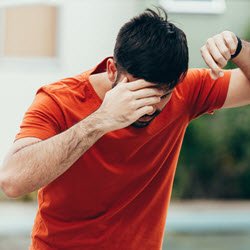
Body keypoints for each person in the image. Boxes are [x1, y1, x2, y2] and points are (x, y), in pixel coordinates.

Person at [0, 7, 249, 250]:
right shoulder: (58, 99)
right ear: (111, 70)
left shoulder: (186, 91)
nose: (148, 108)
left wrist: (237, 47)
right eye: (137, 92)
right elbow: (12, 181)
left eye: (161, 96)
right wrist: (100, 121)